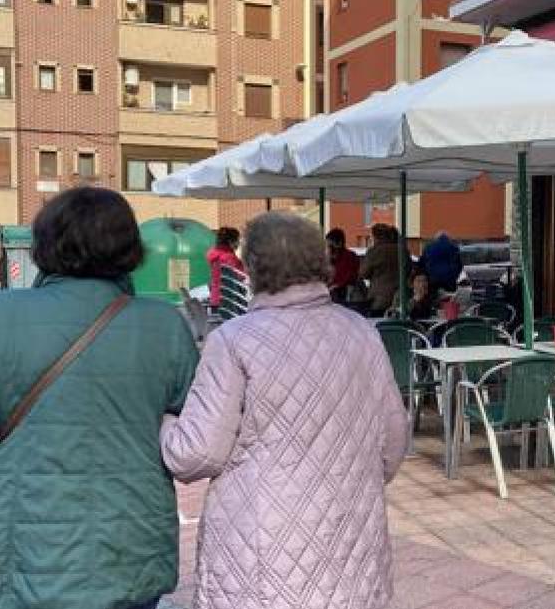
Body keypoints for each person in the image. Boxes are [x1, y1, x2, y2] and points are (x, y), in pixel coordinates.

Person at [0, 187, 199, 609]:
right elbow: (195, 442)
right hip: (129, 554)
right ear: (130, 247)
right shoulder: (165, 327)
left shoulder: (1, 316)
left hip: (19, 559)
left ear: (45, 244)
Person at [160, 213, 407, 609]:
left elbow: (196, 454)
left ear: (253, 267)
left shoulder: (233, 341)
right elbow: (393, 444)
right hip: (351, 538)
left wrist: (164, 422)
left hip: (261, 547)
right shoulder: (362, 331)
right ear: (320, 260)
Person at [361, 223, 401, 316]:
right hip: (399, 298)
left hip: (378, 300)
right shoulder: (401, 250)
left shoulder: (374, 251)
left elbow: (363, 273)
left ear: (376, 236)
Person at [207, 226, 245, 310]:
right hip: (229, 303)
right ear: (230, 242)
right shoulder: (228, 258)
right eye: (237, 240)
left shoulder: (215, 254)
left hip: (216, 299)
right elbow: (241, 277)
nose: (238, 243)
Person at [326, 227, 361, 304]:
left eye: (331, 244)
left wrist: (337, 285)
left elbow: (351, 275)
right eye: (328, 245)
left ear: (339, 243)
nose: (330, 248)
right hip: (334, 292)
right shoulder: (329, 258)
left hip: (345, 293)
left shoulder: (350, 256)